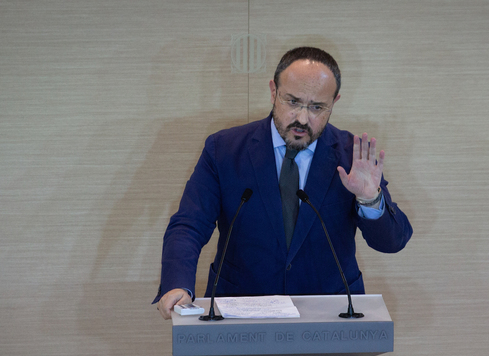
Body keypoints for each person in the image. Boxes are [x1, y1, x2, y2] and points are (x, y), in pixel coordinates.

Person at [154, 46, 412, 319]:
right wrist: (177, 284)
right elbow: (189, 224)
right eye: (293, 102)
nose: (302, 118)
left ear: (334, 102)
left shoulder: (351, 155)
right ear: (273, 91)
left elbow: (392, 242)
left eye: (316, 107)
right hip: (239, 316)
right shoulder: (225, 150)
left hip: (331, 319)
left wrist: (369, 199)